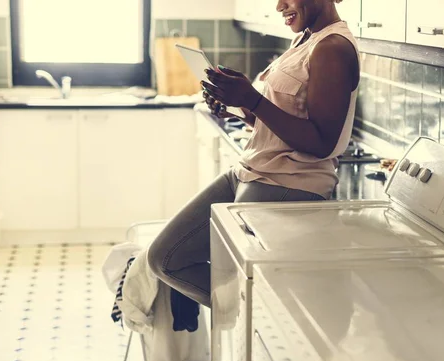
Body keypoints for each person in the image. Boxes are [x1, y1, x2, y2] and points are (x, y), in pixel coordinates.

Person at [147, 0, 360, 308]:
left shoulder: (332, 47)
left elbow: (322, 142)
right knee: (164, 258)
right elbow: (282, 119)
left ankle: (258, 327)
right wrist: (239, 107)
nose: (279, 6)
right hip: (251, 171)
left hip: (287, 184)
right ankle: (250, 318)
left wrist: (253, 99)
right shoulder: (304, 38)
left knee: (248, 288)